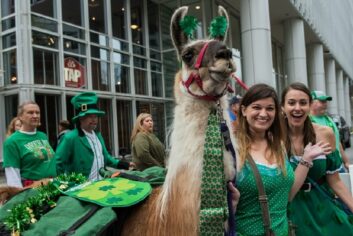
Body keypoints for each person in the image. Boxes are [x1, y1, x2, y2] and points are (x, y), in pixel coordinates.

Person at [234, 83, 329, 235]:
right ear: (244, 110)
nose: (264, 114)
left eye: (270, 108)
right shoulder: (233, 149)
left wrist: (306, 159)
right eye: (257, 107)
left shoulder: (278, 145)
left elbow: (288, 195)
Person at [281, 82, 353, 235]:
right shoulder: (273, 136)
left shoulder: (325, 133)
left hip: (321, 207)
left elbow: (335, 180)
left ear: (309, 106)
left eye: (303, 103)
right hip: (285, 209)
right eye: (291, 103)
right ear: (282, 107)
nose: (297, 108)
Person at [55, 92, 132, 181]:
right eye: (89, 116)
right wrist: (63, 184)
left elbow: (106, 158)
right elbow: (57, 163)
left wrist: (126, 165)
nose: (94, 119)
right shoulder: (70, 137)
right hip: (81, 189)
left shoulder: (98, 135)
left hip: (101, 184)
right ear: (81, 118)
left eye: (96, 116)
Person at [2, 101, 56, 187]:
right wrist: (18, 197)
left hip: (53, 186)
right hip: (32, 192)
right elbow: (12, 174)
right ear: (20, 116)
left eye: (37, 113)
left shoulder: (43, 135)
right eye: (30, 113)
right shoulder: (12, 141)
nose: (35, 116)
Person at [310, 90, 350, 171]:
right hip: (321, 169)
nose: (325, 104)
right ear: (311, 102)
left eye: (326, 101)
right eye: (322, 101)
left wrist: (346, 162)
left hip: (337, 166)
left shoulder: (329, 120)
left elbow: (337, 142)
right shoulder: (308, 122)